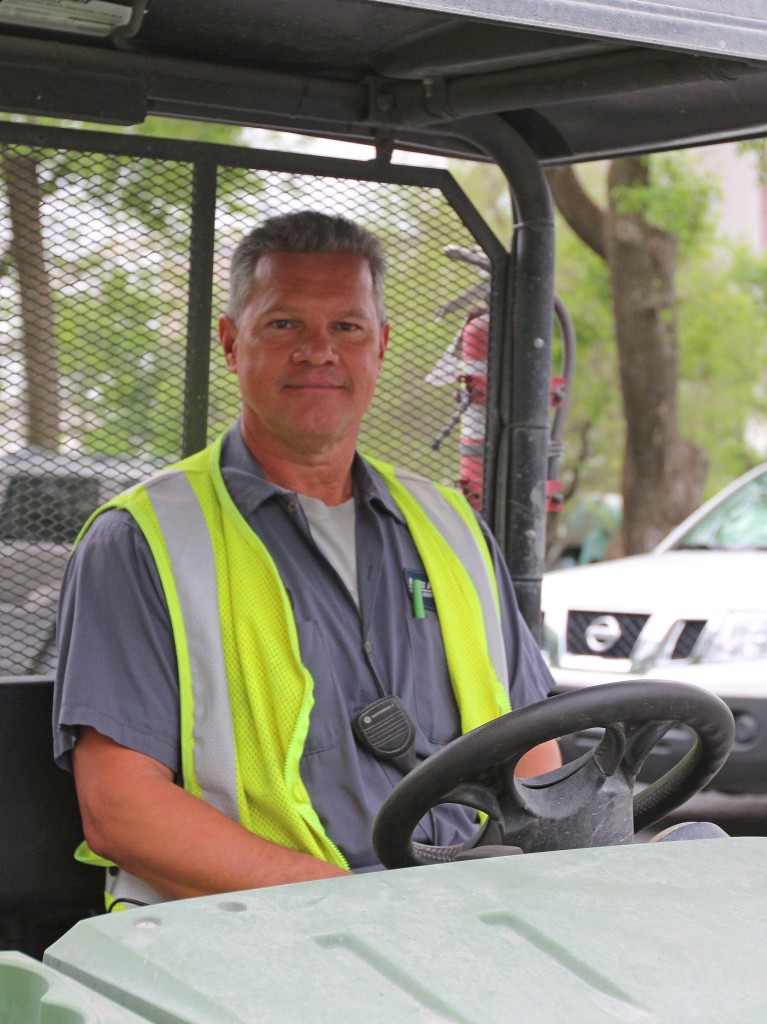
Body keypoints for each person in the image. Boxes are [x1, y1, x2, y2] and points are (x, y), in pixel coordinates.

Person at [53, 210, 560, 909]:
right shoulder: (142, 541)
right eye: (284, 324)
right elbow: (121, 810)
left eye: (346, 328)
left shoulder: (452, 528)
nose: (318, 350)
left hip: (465, 918)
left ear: (379, 346)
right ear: (232, 344)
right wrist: (353, 905)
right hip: (248, 940)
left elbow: (530, 748)